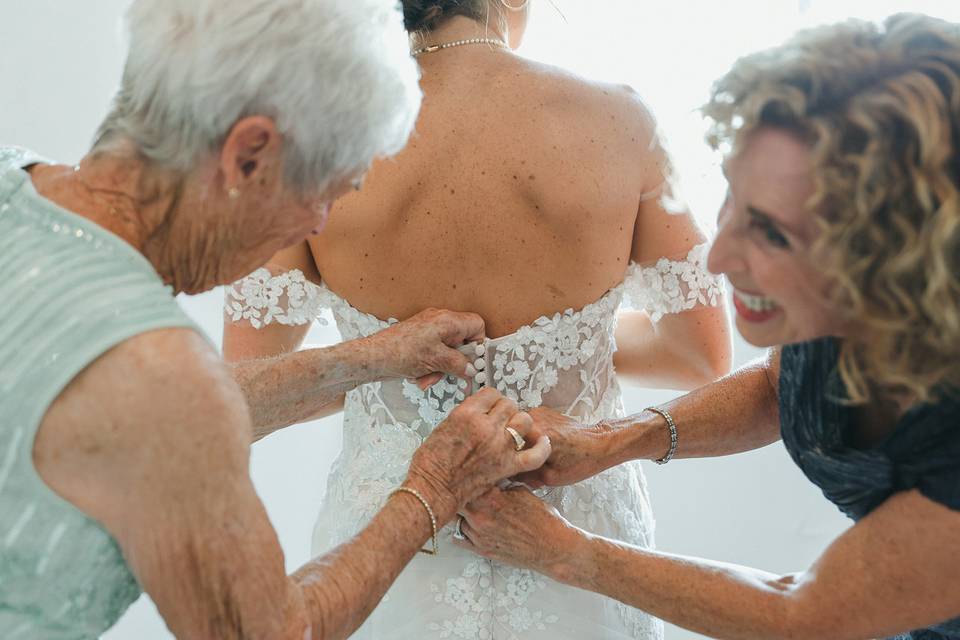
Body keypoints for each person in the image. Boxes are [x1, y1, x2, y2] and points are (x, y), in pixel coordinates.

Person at [0, 1, 550, 638]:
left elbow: (112, 406)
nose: (318, 224)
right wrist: (432, 489)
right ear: (249, 155)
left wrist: (371, 358)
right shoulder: (164, 381)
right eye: (322, 190)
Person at [223, 0, 732, 637]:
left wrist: (377, 358)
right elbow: (699, 355)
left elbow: (244, 395)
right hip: (575, 546)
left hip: (390, 552)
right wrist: (570, 349)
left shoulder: (309, 147)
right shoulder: (620, 122)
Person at [458, 13, 960, 640]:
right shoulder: (843, 313)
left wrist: (567, 552)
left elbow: (803, 616)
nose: (720, 259)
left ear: (900, 252)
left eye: (772, 232)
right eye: (732, 200)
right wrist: (618, 438)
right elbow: (782, 389)